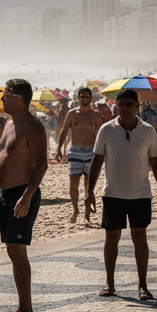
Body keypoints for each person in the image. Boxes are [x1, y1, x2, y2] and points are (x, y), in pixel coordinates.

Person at [85, 90, 157, 300]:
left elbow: (156, 163)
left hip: (140, 194)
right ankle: (109, 283)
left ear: (137, 106)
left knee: (140, 238)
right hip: (113, 194)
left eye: (129, 104)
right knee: (111, 238)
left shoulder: (148, 131)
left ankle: (142, 285)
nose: (124, 108)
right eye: (120, 104)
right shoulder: (106, 130)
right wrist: (89, 191)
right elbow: (97, 160)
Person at [0, 79, 48, 312]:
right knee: (13, 251)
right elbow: (6, 156)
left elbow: (42, 164)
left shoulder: (33, 126)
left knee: (18, 251)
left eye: (6, 96)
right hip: (5, 193)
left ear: (19, 98)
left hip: (22, 194)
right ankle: (22, 306)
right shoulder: (10, 123)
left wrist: (27, 196)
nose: (2, 100)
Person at [54, 87, 103, 224]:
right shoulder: (72, 114)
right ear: (78, 98)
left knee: (89, 184)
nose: (85, 99)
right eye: (82, 97)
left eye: (87, 97)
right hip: (75, 150)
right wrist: (58, 149)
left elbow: (102, 134)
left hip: (91, 151)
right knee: (73, 182)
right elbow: (64, 131)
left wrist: (103, 152)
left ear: (91, 98)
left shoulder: (95, 115)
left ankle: (87, 214)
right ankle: (75, 209)